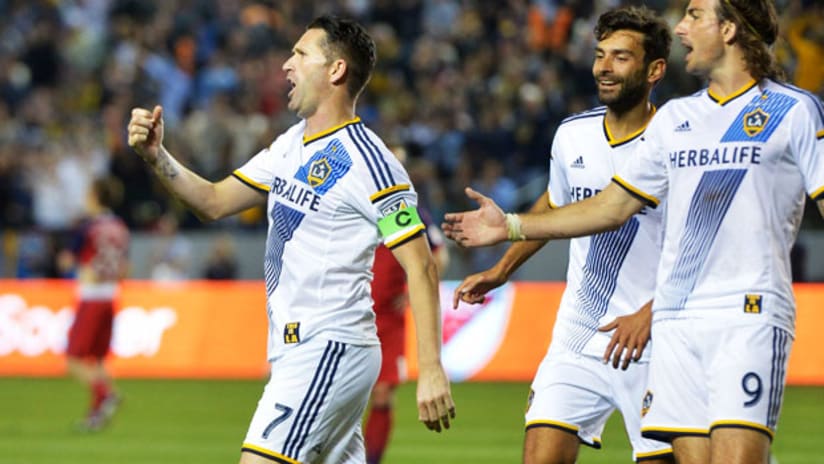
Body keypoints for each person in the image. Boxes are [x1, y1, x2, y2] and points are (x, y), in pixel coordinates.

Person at [443, 1, 824, 463]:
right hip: (666, 327)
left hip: (738, 314)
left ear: (728, 29)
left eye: (693, 15)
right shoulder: (677, 121)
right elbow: (610, 206)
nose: (680, 26)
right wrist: (510, 227)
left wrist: (650, 308)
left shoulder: (795, 111)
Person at [128, 15, 455, 464]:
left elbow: (421, 265)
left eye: (300, 54)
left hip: (329, 347)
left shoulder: (372, 164)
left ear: (335, 70)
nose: (286, 65)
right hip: (298, 350)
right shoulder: (291, 144)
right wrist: (156, 156)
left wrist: (432, 370)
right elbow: (214, 200)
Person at [452, 6, 674, 464]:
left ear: (655, 70)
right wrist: (501, 269)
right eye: (599, 55)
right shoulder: (573, 134)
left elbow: (702, 246)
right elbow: (554, 205)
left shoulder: (678, 144)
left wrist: (652, 312)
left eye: (620, 57)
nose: (604, 68)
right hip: (577, 335)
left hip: (653, 338)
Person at [364, 146, 450, 464]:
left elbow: (438, 257)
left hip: (387, 318)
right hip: (351, 312)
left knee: (383, 393)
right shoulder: (357, 203)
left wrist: (412, 292)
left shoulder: (399, 212)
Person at [65, 176, 130, 431]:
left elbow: (69, 261)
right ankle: (96, 415)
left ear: (94, 196)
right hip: (111, 295)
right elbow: (125, 267)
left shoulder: (88, 228)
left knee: (74, 359)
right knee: (99, 359)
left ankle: (107, 394)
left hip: (91, 296)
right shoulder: (121, 227)